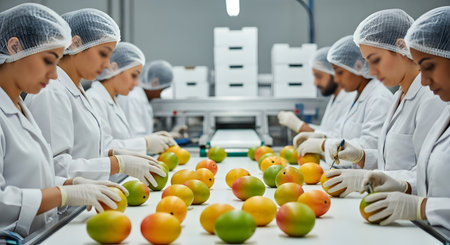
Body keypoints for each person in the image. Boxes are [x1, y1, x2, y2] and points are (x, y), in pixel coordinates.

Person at [0, 3, 127, 237]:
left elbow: (37, 173)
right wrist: (63, 194)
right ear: (14, 47)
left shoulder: (17, 107)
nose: (55, 73)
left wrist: (70, 185)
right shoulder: (45, 96)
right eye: (49, 60)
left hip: (43, 233)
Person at [24, 8, 165, 186]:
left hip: (88, 202)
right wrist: (116, 164)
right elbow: (56, 168)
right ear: (75, 43)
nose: (107, 64)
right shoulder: (52, 92)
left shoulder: (76, 90)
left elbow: (87, 150)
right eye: (103, 53)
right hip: (67, 207)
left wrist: (117, 155)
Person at [323, 9, 446, 197]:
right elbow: (393, 162)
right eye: (367, 63)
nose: (370, 72)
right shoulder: (399, 95)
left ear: (401, 48)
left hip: (416, 214)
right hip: (391, 206)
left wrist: (364, 177)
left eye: (375, 60)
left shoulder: (432, 97)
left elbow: (427, 175)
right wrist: (362, 156)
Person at [357, 6, 450, 229]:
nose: (425, 80)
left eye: (428, 66)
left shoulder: (433, 100)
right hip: (428, 230)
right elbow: (429, 174)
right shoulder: (444, 107)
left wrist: (421, 207)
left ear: (400, 47)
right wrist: (403, 186)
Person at [295, 35, 393, 162]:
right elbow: (341, 135)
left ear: (358, 66)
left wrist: (324, 144)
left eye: (339, 72)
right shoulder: (357, 95)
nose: (335, 79)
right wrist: (321, 136)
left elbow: (370, 147)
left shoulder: (379, 99)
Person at [86, 42, 176, 155]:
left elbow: (123, 140)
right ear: (114, 68)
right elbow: (101, 148)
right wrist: (145, 143)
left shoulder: (111, 100)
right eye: (134, 75)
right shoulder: (94, 100)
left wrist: (150, 139)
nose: (137, 83)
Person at [278, 47, 355, 137]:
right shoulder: (335, 97)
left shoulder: (349, 99)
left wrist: (300, 126)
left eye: (319, 76)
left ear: (334, 73)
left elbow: (339, 140)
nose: (315, 83)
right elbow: (325, 130)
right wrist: (301, 126)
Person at [117, 60, 188, 139]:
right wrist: (165, 137)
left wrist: (166, 135)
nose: (160, 96)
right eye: (161, 90)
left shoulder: (141, 97)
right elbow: (136, 137)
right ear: (155, 83)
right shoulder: (133, 98)